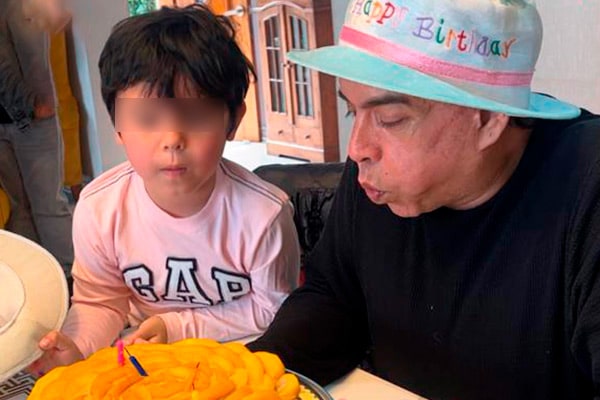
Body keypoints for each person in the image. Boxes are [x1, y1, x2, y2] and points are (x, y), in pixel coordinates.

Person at [248, 0, 600, 399]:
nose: (357, 148)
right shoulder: (378, 175)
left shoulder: (586, 185)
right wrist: (246, 377)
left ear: (488, 118)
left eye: (391, 119)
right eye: (351, 111)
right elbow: (334, 298)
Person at [30, 4, 300, 374]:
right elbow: (101, 303)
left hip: (240, 362)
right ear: (117, 124)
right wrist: (78, 347)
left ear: (233, 121)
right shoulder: (99, 208)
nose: (172, 138)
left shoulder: (264, 215)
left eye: (195, 117)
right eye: (147, 119)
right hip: (143, 365)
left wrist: (176, 327)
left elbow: (273, 309)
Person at [0, 0, 74, 273]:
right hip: (20, 114)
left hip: (32, 117)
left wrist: (36, 103)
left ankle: (69, 278)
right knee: (24, 207)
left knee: (46, 206)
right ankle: (39, 278)